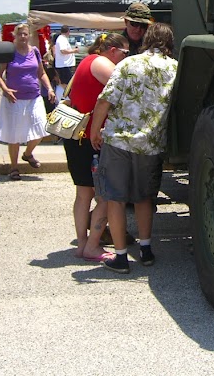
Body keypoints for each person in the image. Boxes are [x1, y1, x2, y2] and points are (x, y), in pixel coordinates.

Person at [89, 22, 177, 273]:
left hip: (119, 141)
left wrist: (95, 131)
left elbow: (106, 100)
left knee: (115, 198)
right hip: (150, 144)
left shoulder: (129, 64)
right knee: (145, 198)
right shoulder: (175, 69)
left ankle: (120, 257)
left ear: (147, 39)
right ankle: (146, 250)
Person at [62, 32, 130, 261]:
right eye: (125, 53)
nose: (125, 58)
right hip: (93, 139)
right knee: (106, 196)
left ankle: (82, 244)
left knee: (83, 194)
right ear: (113, 50)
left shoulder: (86, 62)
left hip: (76, 137)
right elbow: (126, 91)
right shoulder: (102, 63)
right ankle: (92, 245)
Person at [0, 23, 57, 180]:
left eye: (25, 34)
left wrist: (49, 89)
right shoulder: (10, 52)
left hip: (34, 97)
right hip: (14, 99)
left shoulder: (34, 51)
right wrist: (5, 90)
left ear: (29, 35)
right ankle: (14, 168)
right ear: (15, 35)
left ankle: (28, 154)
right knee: (14, 135)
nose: (23, 37)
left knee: (42, 127)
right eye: (20, 34)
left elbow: (41, 73)